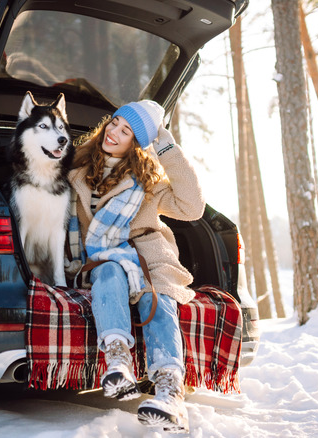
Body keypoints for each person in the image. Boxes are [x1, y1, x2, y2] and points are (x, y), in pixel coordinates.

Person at [66, 100, 205, 431]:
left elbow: (193, 207)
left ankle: (170, 394)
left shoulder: (149, 181)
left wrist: (167, 147)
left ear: (137, 143)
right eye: (114, 123)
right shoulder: (77, 169)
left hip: (148, 257)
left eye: (126, 131)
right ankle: (118, 364)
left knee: (155, 298)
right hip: (102, 255)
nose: (114, 132)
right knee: (110, 271)